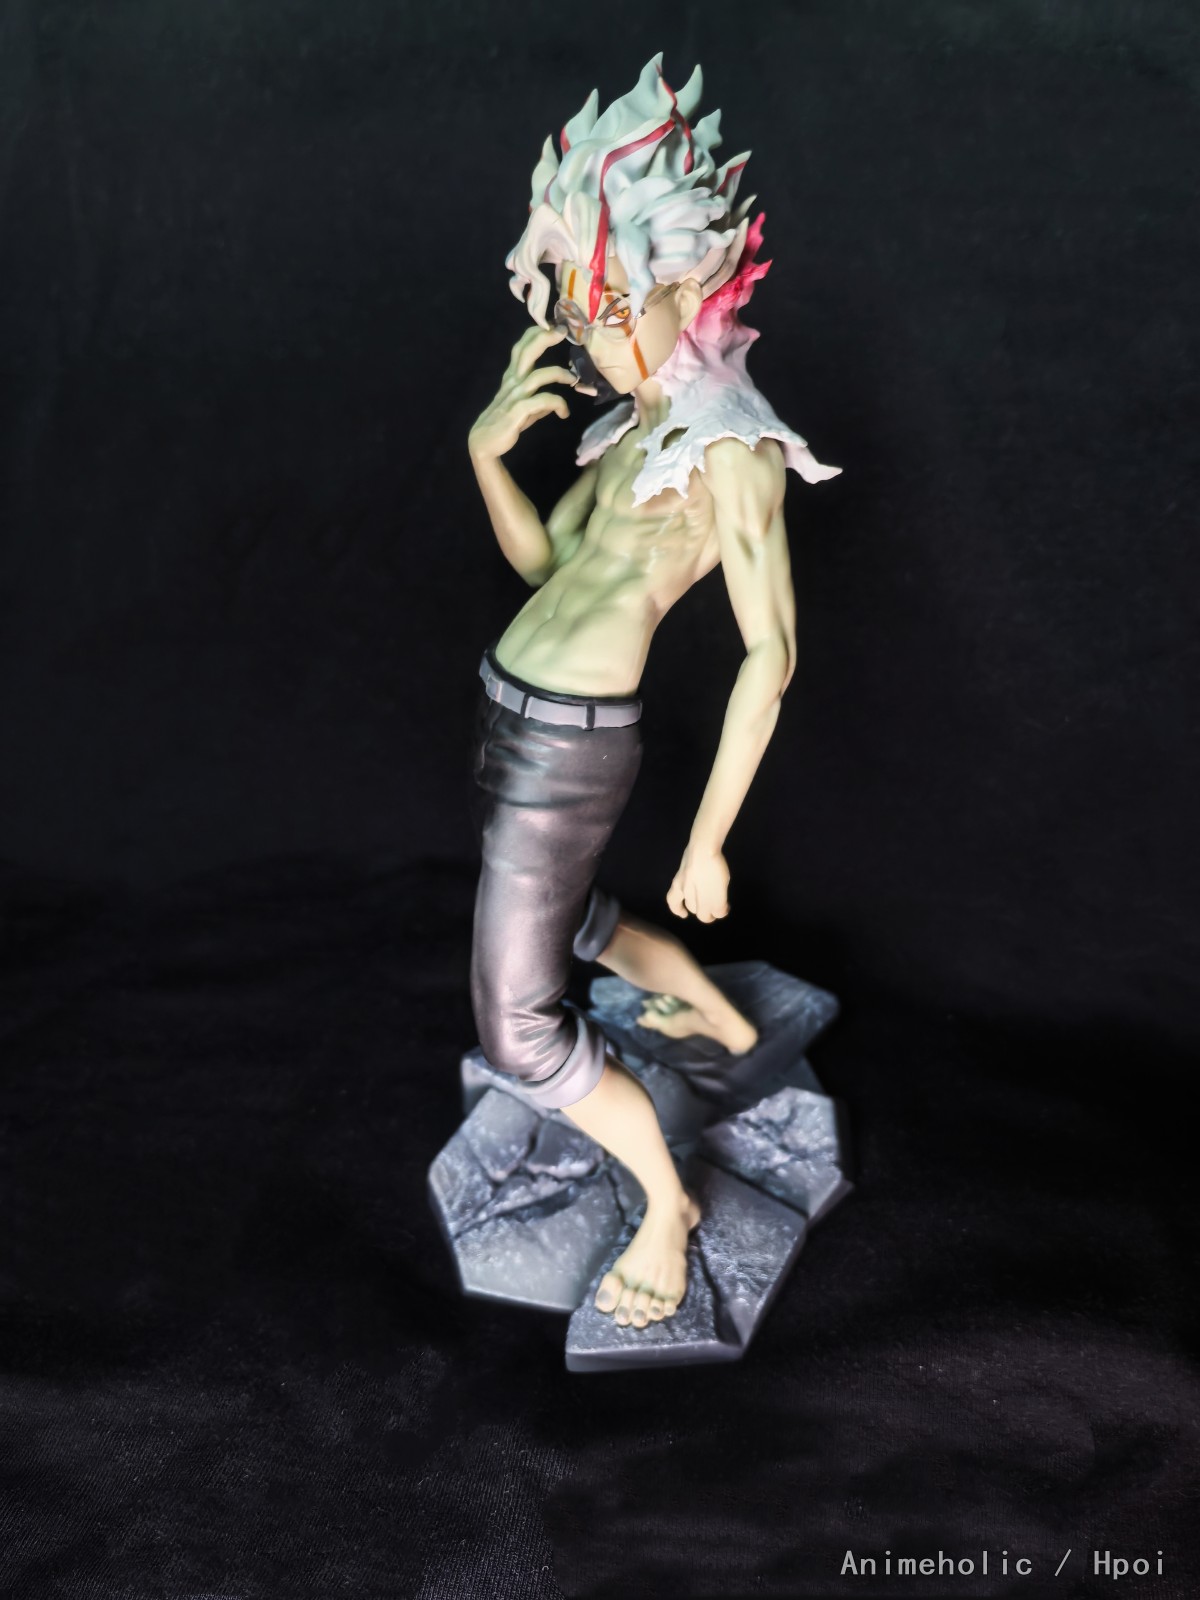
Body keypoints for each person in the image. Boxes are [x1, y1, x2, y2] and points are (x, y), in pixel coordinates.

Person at [466, 53, 841, 1334]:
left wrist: (708, 840)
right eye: (585, 312)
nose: (595, 337)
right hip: (510, 710)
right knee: (569, 918)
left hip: (567, 745)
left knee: (521, 1033)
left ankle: (667, 1209)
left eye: (613, 306)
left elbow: (770, 651)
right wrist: (487, 458)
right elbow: (551, 566)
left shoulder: (736, 442)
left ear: (687, 275)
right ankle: (716, 1013)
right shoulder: (639, 419)